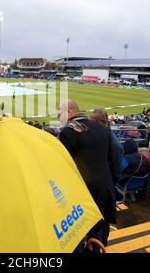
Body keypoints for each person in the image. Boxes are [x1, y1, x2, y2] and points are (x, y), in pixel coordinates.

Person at [57, 100, 116, 249]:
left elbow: (65, 167)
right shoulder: (102, 128)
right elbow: (111, 159)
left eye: (60, 113)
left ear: (69, 111)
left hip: (84, 194)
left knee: (83, 235)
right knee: (99, 232)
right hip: (105, 188)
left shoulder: (68, 132)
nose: (58, 117)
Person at [90, 109, 124, 184]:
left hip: (105, 182)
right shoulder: (97, 135)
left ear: (103, 123)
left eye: (92, 122)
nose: (90, 125)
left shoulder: (114, 145)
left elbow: (116, 172)